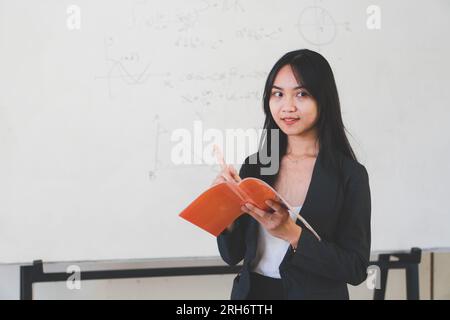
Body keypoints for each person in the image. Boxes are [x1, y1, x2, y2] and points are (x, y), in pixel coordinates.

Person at [212, 49, 371, 300]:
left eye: (301, 94)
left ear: (323, 99)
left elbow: (355, 268)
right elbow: (232, 255)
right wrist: (226, 211)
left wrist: (293, 234)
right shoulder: (255, 167)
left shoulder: (349, 175)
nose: (287, 107)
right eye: (278, 94)